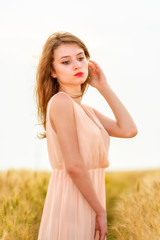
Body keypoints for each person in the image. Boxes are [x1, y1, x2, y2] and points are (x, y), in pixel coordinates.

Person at [35, 31, 138, 240]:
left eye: (81, 58)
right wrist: (100, 210)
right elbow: (73, 165)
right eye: (65, 62)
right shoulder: (61, 102)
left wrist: (103, 86)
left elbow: (129, 130)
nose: (77, 65)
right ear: (52, 71)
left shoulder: (87, 111)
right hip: (72, 202)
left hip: (89, 200)